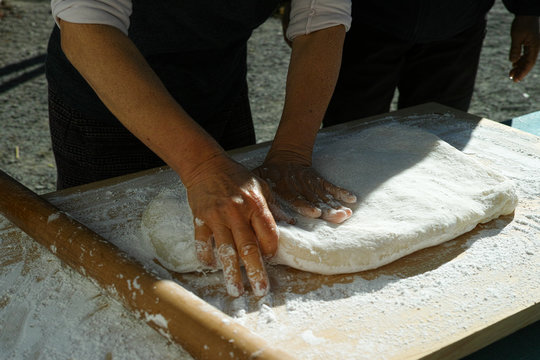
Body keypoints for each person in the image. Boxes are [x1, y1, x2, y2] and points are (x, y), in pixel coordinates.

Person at [45, 0, 355, 297]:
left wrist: (291, 152)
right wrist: (203, 165)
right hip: (110, 101)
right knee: (101, 274)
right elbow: (87, 22)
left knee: (239, 241)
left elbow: (320, 17)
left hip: (219, 85)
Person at [320, 0, 540, 126]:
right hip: (364, 19)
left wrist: (527, 9)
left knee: (440, 137)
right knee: (351, 137)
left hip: (457, 21)